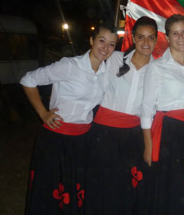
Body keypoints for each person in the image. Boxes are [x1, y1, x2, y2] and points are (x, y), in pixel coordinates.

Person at [21, 25, 117, 215]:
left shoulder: (106, 73)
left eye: (112, 44)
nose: (105, 48)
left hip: (82, 141)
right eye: (101, 40)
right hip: (56, 139)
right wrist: (43, 113)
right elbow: (28, 80)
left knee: (74, 191)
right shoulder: (70, 66)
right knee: (51, 192)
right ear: (91, 40)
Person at [84, 17, 158, 215]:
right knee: (100, 186)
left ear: (157, 40)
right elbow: (86, 76)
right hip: (103, 134)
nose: (145, 42)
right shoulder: (114, 58)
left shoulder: (159, 70)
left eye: (151, 38)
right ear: (133, 38)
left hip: (134, 136)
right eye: (140, 37)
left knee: (128, 189)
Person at [141, 14, 184, 215]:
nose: (180, 37)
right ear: (167, 38)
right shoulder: (157, 67)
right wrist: (148, 146)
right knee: (171, 188)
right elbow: (146, 109)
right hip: (169, 134)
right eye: (174, 33)